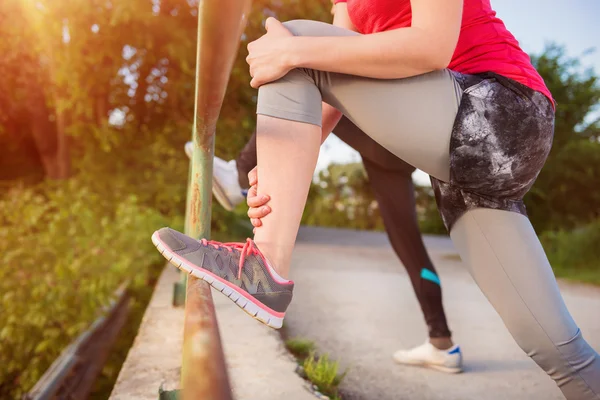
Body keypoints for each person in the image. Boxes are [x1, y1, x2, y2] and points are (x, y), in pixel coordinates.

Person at [152, 0, 600, 397]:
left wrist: (292, 51)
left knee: (294, 40)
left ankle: (264, 266)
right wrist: (273, 176)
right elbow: (330, 87)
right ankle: (264, 262)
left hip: (501, 111)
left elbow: (431, 45)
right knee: (558, 351)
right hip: (461, 168)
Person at [186, 116, 463, 373]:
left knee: (302, 75)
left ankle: (239, 174)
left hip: (386, 131)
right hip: (400, 149)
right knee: (409, 244)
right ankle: (442, 342)